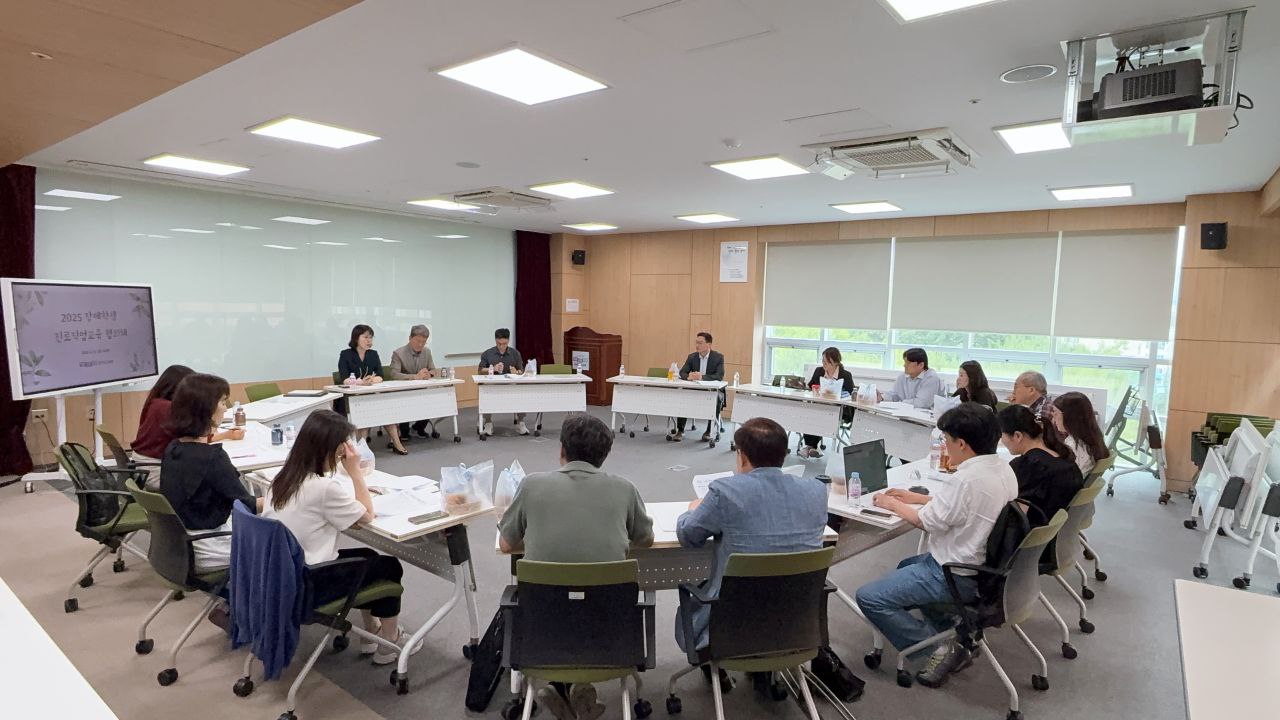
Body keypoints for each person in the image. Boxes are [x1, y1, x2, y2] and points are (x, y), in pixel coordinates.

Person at [498, 413, 654, 720]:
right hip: (611, 633)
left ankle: (566, 688)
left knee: (562, 596)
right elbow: (646, 540)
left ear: (561, 450)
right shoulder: (625, 489)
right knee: (587, 597)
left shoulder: (531, 486)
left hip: (544, 633)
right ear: (604, 456)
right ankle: (578, 690)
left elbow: (505, 545)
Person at [855, 402, 1017, 688]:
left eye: (947, 440)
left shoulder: (966, 479)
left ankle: (937, 651)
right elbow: (961, 508)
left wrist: (891, 502)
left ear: (963, 443)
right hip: (985, 570)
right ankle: (953, 633)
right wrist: (915, 497)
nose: (945, 446)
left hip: (955, 574)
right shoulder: (1002, 469)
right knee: (906, 566)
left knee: (870, 597)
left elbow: (926, 522)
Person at [262, 409, 422, 666]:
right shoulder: (323, 488)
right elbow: (367, 516)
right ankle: (390, 642)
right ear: (329, 449)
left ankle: (371, 634)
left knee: (368, 557)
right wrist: (356, 472)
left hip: (285, 576)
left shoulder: (282, 478)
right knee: (389, 567)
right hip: (311, 581)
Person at [676, 417, 828, 655]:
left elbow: (689, 536)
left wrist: (693, 509)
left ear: (742, 456)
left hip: (731, 627)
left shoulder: (724, 492)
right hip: (795, 625)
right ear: (783, 455)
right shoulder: (816, 491)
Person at [159, 373, 263, 571]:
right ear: (207, 408)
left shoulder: (173, 448)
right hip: (209, 546)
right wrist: (288, 495)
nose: (225, 407)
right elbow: (248, 505)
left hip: (177, 545)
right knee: (283, 541)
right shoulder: (212, 458)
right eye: (223, 402)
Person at [133, 365, 244, 488]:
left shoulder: (156, 403)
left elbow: (192, 439)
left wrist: (226, 435)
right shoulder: (167, 409)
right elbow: (194, 439)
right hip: (155, 469)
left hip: (148, 464)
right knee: (217, 480)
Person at [998, 404, 1083, 525]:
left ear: (1017, 436)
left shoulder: (1028, 466)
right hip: (1053, 532)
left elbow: (1014, 514)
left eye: (1002, 435)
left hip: (1030, 533)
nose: (1002, 440)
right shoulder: (1063, 456)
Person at [337, 324, 407, 455]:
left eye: (371, 337)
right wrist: (360, 382)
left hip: (371, 393)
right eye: (366, 337)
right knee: (366, 408)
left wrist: (371, 381)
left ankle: (396, 443)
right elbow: (344, 379)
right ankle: (362, 448)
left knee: (386, 409)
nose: (369, 341)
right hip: (352, 397)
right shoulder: (346, 354)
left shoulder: (373, 354)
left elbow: (380, 375)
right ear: (356, 338)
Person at [800, 347, 855, 459]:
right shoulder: (819, 371)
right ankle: (812, 447)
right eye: (823, 361)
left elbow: (849, 394)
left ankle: (811, 446)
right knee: (811, 413)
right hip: (819, 405)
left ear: (835, 362)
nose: (823, 364)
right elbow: (811, 386)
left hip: (839, 409)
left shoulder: (845, 375)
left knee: (820, 415)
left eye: (826, 361)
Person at [672, 332, 725, 442]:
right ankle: (680, 430)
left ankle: (708, 431)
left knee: (715, 400)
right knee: (682, 397)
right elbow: (682, 372)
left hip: (712, 390)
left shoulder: (718, 357)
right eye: (696, 343)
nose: (697, 345)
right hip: (694, 389)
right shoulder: (692, 357)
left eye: (700, 343)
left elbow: (719, 376)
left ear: (709, 345)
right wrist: (689, 377)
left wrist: (702, 377)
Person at [390, 324, 439, 440]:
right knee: (404, 401)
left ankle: (418, 428)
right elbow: (394, 374)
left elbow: (433, 370)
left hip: (422, 389)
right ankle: (404, 430)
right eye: (418, 341)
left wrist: (429, 374)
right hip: (403, 390)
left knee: (432, 400)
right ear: (410, 338)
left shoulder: (427, 352)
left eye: (424, 342)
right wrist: (414, 377)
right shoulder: (398, 353)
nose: (420, 344)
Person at [478, 328, 528, 437]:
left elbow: (522, 371)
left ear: (508, 341)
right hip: (493, 384)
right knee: (486, 390)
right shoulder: (487, 354)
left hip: (510, 384)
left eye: (504, 344)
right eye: (499, 343)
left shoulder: (515, 353)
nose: (501, 346)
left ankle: (520, 422)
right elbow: (480, 370)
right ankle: (488, 422)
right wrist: (492, 368)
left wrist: (517, 371)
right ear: (495, 341)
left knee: (521, 389)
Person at [1052, 392, 1109, 478]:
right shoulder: (1092, 438)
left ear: (1069, 417)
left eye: (1056, 413)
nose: (1053, 419)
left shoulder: (1072, 446)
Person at [878, 348, 943, 410]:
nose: (904, 365)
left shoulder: (931, 378)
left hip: (926, 418)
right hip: (906, 414)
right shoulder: (903, 376)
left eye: (908, 363)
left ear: (921, 365)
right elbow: (895, 395)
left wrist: (900, 403)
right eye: (905, 362)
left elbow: (921, 404)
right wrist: (881, 397)